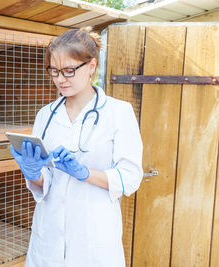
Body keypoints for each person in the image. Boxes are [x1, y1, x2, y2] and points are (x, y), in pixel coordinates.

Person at [10, 27, 143, 266]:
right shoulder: (45, 115)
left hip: (93, 237)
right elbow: (46, 183)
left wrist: (84, 173)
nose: (60, 79)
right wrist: (33, 173)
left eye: (69, 70)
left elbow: (130, 177)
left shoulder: (118, 112)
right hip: (48, 236)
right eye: (54, 71)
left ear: (91, 66)